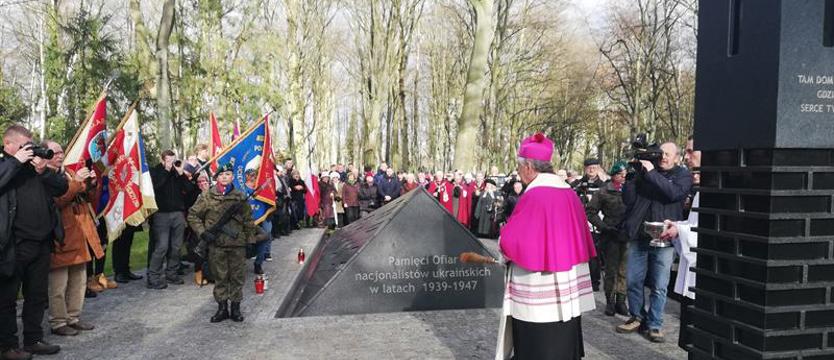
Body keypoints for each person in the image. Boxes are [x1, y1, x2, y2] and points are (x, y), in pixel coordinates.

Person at [496, 133, 596, 360]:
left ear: (529, 166)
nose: (518, 172)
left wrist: (502, 242)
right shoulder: (568, 192)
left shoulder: (534, 195)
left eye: (519, 166)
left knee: (537, 347)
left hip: (539, 289)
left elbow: (511, 243)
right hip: (567, 283)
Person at [0, 125, 68, 359]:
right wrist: (15, 161)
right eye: (23, 147)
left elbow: (62, 188)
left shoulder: (33, 168)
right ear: (8, 145)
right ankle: (7, 346)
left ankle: (33, 339)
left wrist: (43, 171)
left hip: (41, 243)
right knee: (7, 299)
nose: (28, 151)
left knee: (37, 295)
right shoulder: (5, 165)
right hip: (13, 245)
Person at [615, 142, 692, 343]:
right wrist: (636, 175)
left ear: (677, 157)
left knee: (659, 284)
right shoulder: (646, 172)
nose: (663, 157)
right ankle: (637, 316)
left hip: (664, 239)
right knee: (633, 281)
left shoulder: (682, 175)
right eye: (661, 154)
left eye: (668, 154)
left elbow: (673, 194)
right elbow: (628, 200)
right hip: (639, 236)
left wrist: (651, 174)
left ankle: (655, 323)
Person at [44, 140, 104, 337]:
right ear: (45, 155)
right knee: (59, 285)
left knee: (79, 282)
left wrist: (91, 184)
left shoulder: (68, 173)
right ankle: (58, 321)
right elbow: (59, 200)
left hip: (79, 234)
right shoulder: (45, 176)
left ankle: (73, 317)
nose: (60, 155)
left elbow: (84, 197)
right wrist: (78, 182)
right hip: (61, 236)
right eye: (54, 152)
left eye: (61, 151)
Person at [187, 163, 259, 323]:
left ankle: (235, 308)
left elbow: (248, 220)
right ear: (216, 177)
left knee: (237, 277)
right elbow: (192, 215)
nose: (224, 177)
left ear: (232, 177)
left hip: (237, 245)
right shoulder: (207, 196)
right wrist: (203, 232)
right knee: (220, 277)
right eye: (221, 175)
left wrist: (250, 241)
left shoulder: (240, 197)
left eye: (227, 174)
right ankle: (221, 308)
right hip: (216, 244)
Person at [662, 136, 700, 350]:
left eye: (690, 151)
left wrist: (681, 230)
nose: (687, 156)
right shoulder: (701, 185)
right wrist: (678, 226)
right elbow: (694, 223)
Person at [586, 161, 629, 317]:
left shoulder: (631, 190)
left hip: (627, 233)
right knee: (611, 271)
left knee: (624, 270)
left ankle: (621, 301)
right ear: (613, 175)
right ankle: (610, 301)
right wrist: (603, 226)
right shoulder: (603, 192)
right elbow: (590, 211)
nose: (623, 177)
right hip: (610, 234)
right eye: (620, 174)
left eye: (625, 174)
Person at [148, 150, 195, 289]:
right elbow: (156, 187)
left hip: (178, 214)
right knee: (162, 246)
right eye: (168, 160)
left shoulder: (177, 173)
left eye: (173, 160)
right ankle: (153, 277)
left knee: (176, 246)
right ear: (162, 160)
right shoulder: (156, 171)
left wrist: (181, 174)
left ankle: (172, 273)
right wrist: (166, 170)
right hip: (161, 214)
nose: (171, 163)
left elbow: (189, 189)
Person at [572, 158, 605, 291]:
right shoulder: (578, 184)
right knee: (579, 252)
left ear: (598, 168)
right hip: (579, 223)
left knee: (594, 253)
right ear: (585, 168)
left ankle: (594, 281)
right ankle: (579, 279)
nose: (591, 170)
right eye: (589, 167)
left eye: (594, 167)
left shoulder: (603, 185)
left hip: (595, 223)